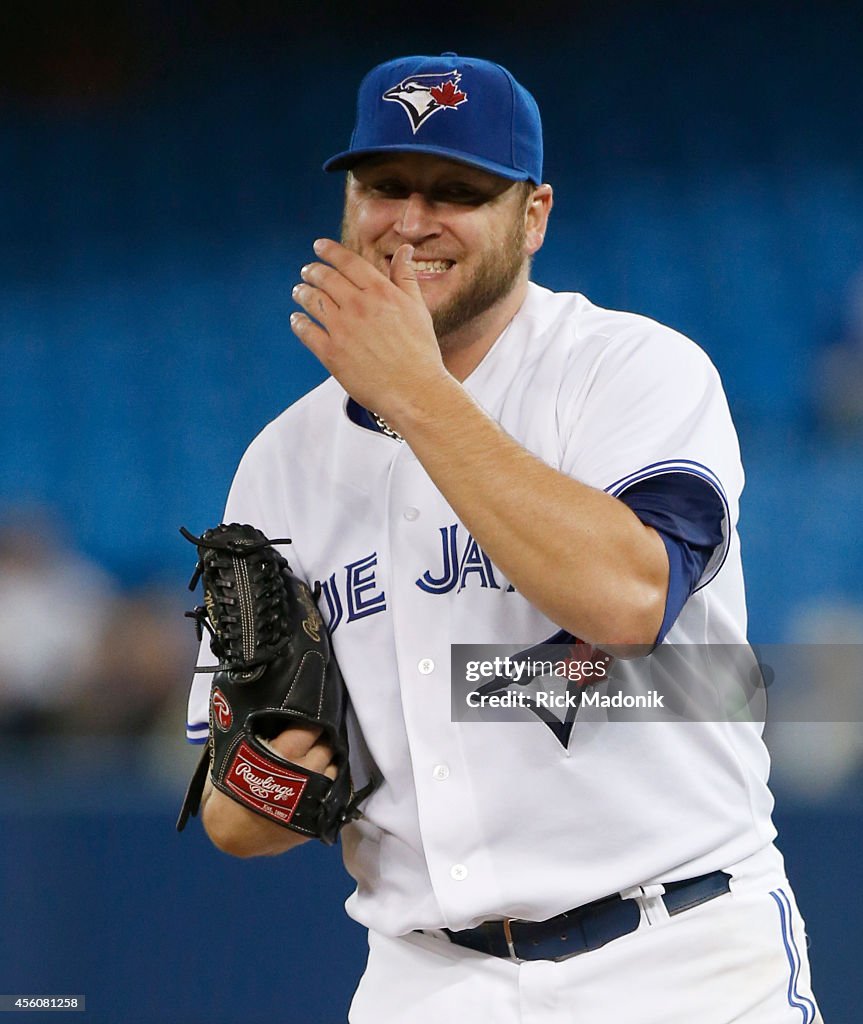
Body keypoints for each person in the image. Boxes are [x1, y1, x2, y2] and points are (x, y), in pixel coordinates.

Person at [186, 53, 822, 1023]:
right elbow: (236, 818)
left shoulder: (629, 372)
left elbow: (626, 599)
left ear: (533, 216)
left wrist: (412, 391)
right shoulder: (280, 463)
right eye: (383, 186)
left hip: (678, 954)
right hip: (425, 976)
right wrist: (279, 770)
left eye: (456, 190)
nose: (409, 220)